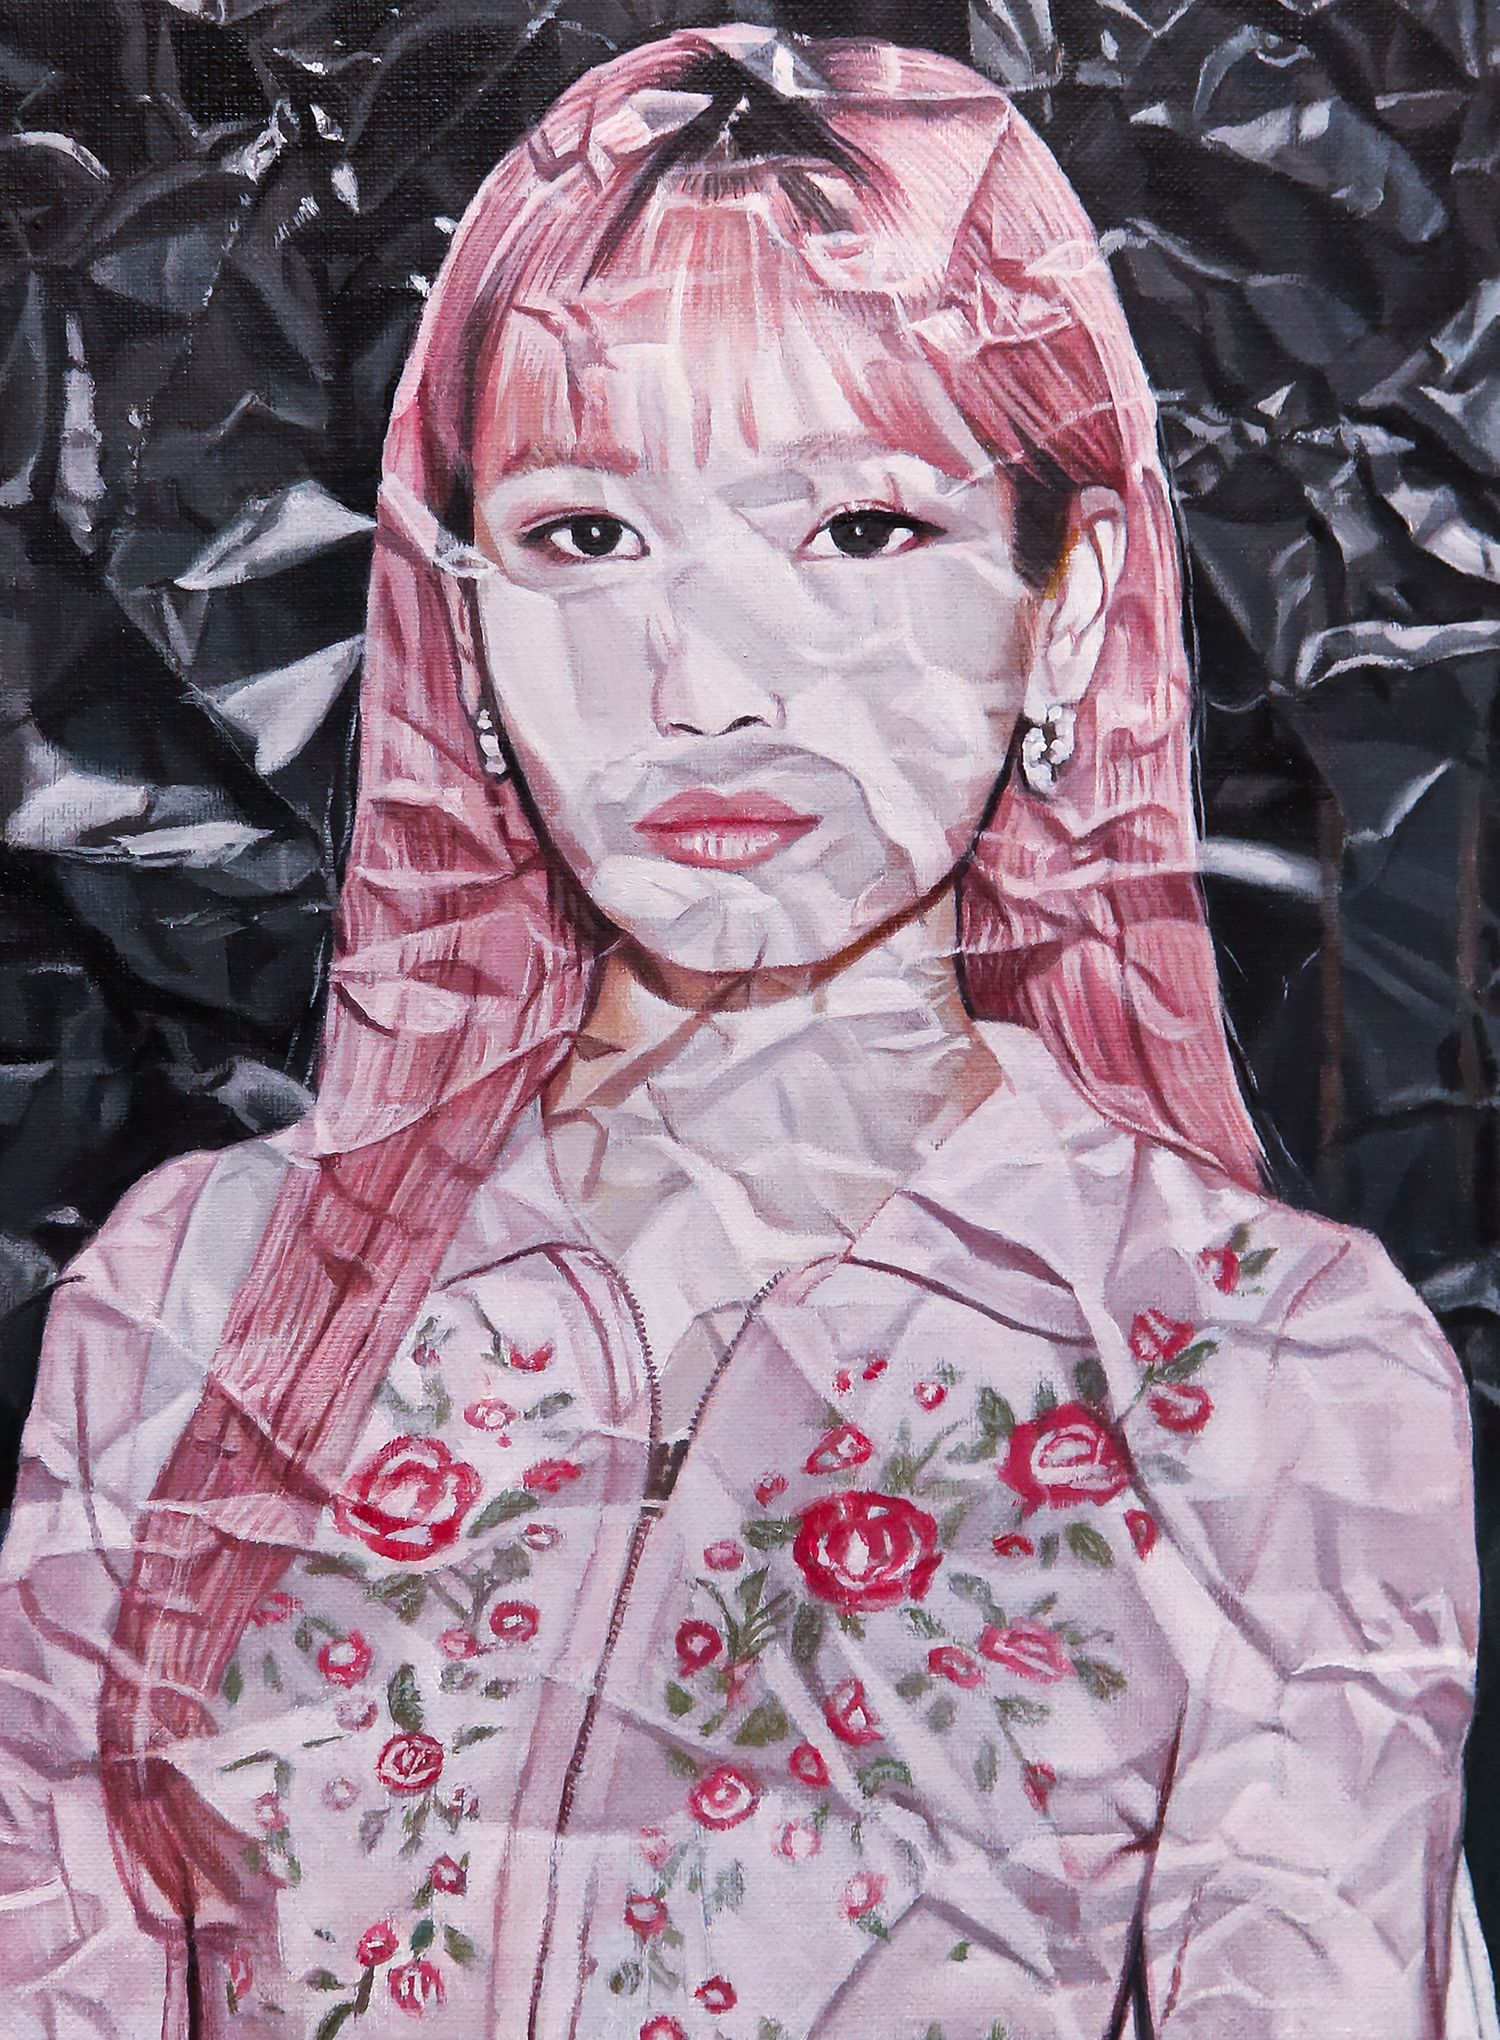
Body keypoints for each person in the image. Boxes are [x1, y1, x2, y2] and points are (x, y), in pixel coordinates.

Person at [0, 22, 1488, 2040]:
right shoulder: (189, 1300)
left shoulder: (1269, 1373)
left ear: (1068, 597)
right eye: (586, 536)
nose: (707, 685)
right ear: (462, 610)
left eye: (860, 530)